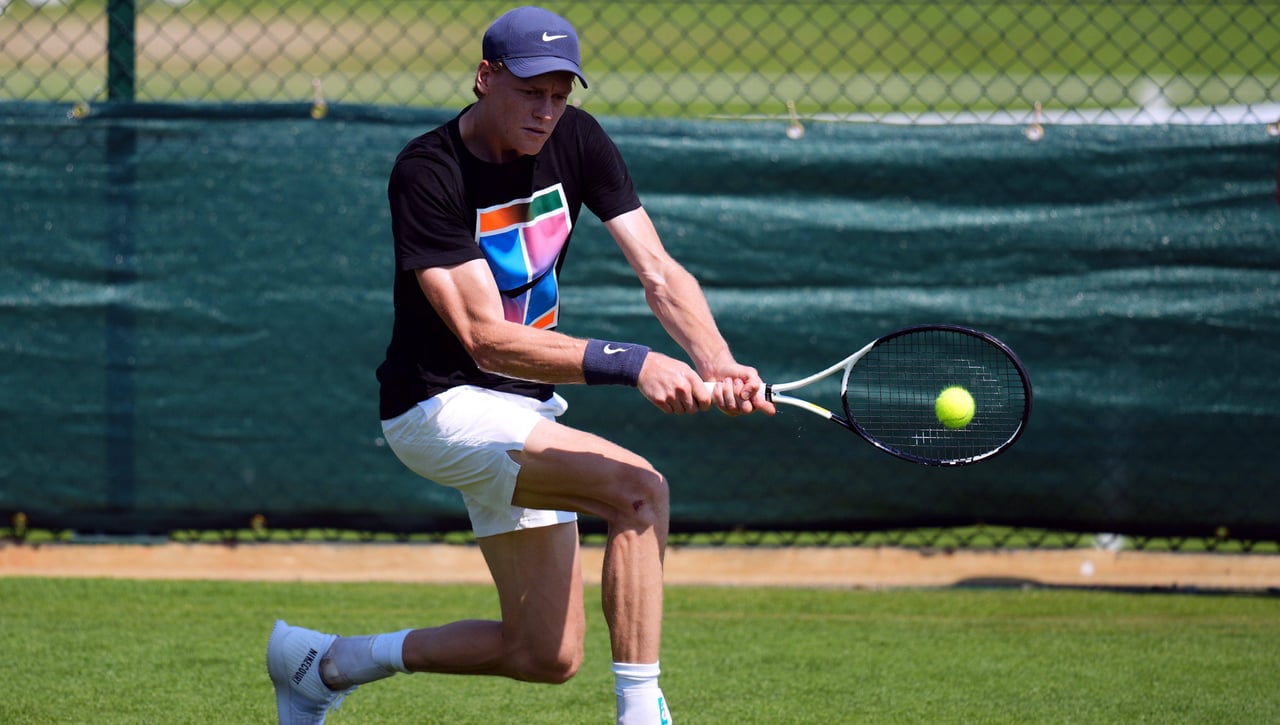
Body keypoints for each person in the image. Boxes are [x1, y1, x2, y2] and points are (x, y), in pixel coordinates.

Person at [266, 6, 774, 724]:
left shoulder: (579, 140)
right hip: (438, 408)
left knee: (546, 654)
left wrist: (717, 361)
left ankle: (322, 666)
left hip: (523, 411)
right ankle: (641, 714)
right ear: (485, 78)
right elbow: (484, 336)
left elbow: (658, 270)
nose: (546, 111)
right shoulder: (427, 170)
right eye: (531, 91)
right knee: (639, 491)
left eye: (560, 94)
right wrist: (633, 363)